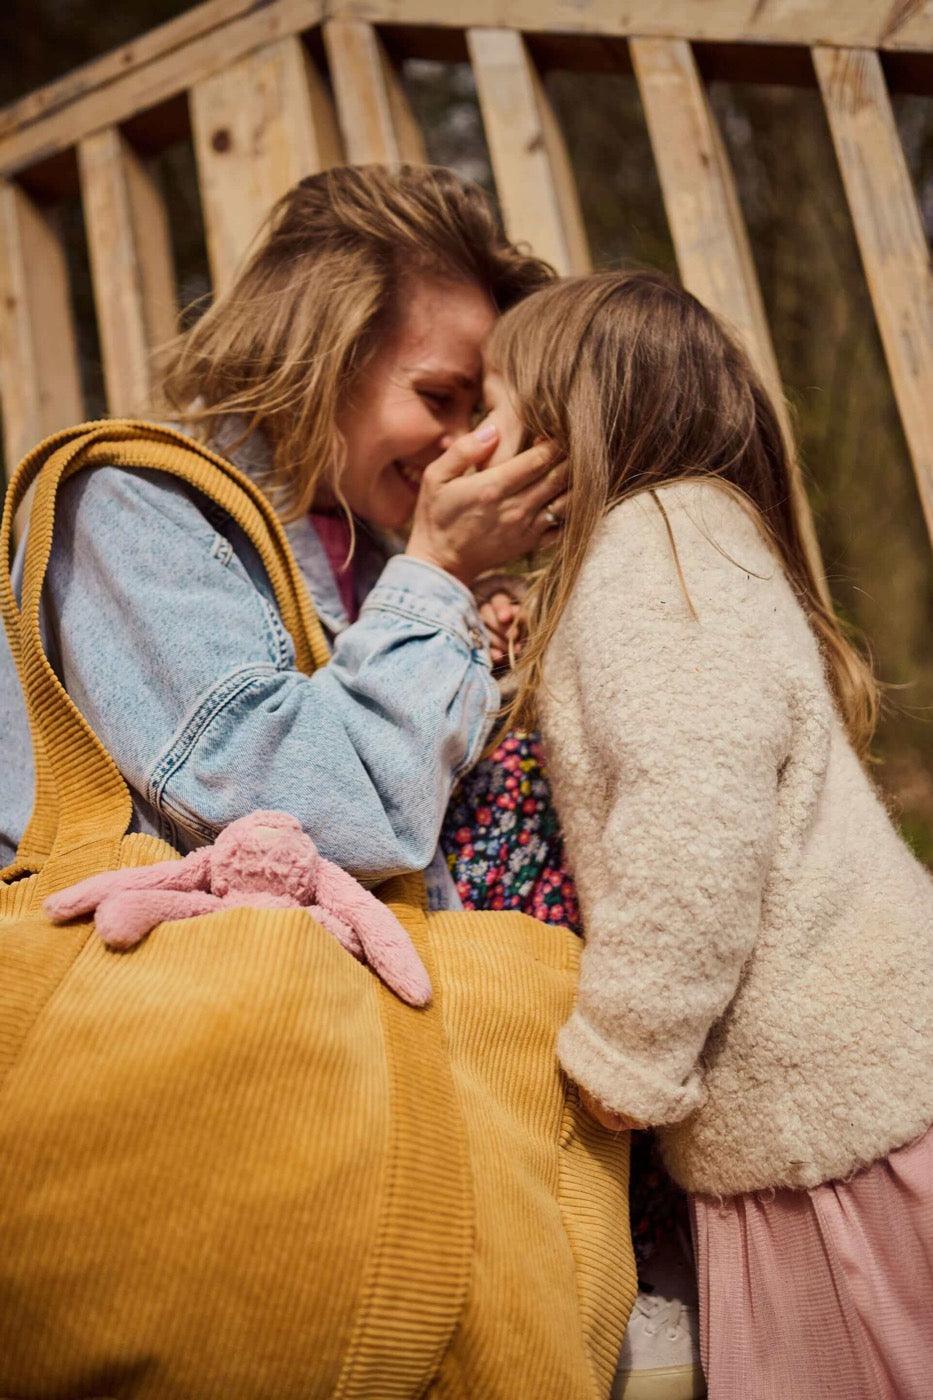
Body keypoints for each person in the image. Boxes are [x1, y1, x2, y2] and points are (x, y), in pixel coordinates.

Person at [472, 267, 933, 1399]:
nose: (474, 437)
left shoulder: (651, 557)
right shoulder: (676, 550)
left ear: (571, 423)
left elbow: (693, 831)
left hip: (831, 1138)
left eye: (493, 404)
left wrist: (618, 1059)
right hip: (826, 1114)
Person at [0, 164, 563, 914]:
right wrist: (438, 574)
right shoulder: (131, 500)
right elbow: (303, 818)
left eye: (480, 414)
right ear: (326, 353)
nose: (464, 444)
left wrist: (464, 614)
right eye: (438, 397)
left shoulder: (368, 551)